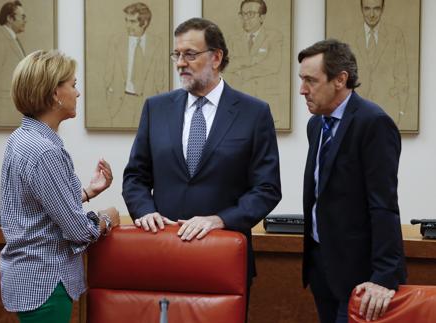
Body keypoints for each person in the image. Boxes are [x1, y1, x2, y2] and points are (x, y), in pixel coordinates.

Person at [123, 17, 281, 282]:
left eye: (190, 55)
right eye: (177, 55)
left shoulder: (254, 113)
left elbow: (266, 189)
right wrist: (144, 210)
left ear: (216, 57)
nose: (181, 63)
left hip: (223, 256)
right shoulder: (156, 108)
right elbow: (135, 176)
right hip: (161, 252)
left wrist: (220, 219)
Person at [0, 50, 120, 323]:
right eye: (73, 85)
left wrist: (88, 192)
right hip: (45, 283)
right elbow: (79, 231)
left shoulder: (22, 138)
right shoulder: (45, 151)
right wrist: (107, 218)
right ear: (55, 94)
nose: (78, 93)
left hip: (28, 279)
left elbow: (42, 206)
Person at [298, 39, 406, 323]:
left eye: (310, 80)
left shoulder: (373, 123)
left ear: (340, 79)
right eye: (301, 80)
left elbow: (383, 205)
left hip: (362, 278)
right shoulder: (316, 125)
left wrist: (384, 276)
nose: (302, 90)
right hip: (322, 270)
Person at [339, 0, 409, 127]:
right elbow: (341, 77)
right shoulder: (349, 35)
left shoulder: (396, 35)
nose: (371, 14)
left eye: (376, 8)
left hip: (388, 110)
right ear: (361, 9)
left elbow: (402, 76)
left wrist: (401, 111)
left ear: (382, 9)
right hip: (355, 112)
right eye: (367, 9)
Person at [104, 2, 167, 128]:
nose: (127, 25)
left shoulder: (157, 44)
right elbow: (107, 77)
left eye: (132, 21)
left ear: (144, 23)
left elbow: (160, 80)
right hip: (121, 104)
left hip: (148, 105)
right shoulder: (116, 42)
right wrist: (110, 103)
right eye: (126, 20)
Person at [224, 0, 284, 125]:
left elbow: (273, 65)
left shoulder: (274, 36)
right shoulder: (233, 40)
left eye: (250, 14)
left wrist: (245, 72)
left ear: (262, 17)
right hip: (240, 103)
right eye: (243, 14)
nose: (245, 18)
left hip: (266, 99)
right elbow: (226, 66)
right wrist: (251, 59)